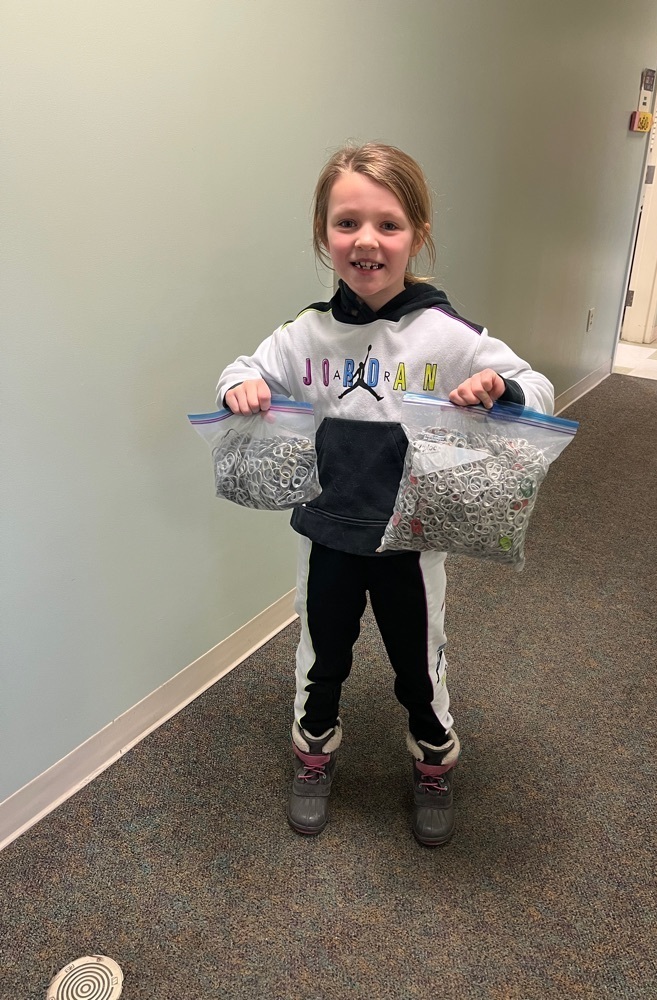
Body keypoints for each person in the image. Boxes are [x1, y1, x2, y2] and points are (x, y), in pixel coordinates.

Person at [217, 142, 553, 846]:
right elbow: (246, 367)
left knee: (418, 663)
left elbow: (538, 387)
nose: (367, 240)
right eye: (346, 223)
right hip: (328, 536)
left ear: (417, 235)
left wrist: (500, 389)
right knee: (321, 656)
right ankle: (314, 756)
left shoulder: (447, 333)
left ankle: (434, 760)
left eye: (389, 224)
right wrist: (240, 386)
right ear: (324, 236)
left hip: (410, 542)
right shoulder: (304, 332)